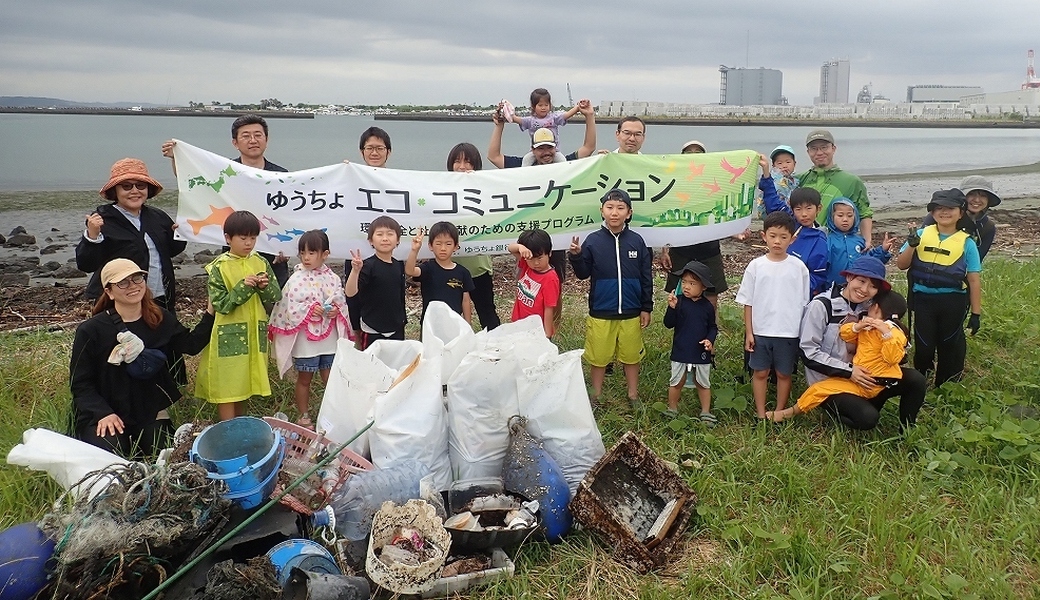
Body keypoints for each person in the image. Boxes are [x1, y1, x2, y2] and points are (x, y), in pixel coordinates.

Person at [70, 259, 214, 457]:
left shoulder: (159, 318)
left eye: (137, 278)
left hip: (149, 410)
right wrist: (102, 413)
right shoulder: (91, 330)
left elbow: (191, 345)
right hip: (106, 411)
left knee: (163, 453)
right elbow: (80, 383)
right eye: (123, 282)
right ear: (109, 292)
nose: (133, 286)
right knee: (113, 455)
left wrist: (211, 312)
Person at [487, 98, 597, 326]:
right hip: (529, 240)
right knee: (527, 288)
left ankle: (549, 332)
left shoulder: (566, 164)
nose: (546, 152)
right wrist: (499, 126)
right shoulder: (522, 167)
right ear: (533, 150)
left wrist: (589, 117)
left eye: (549, 147)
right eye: (540, 148)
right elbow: (494, 156)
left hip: (556, 240)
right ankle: (523, 327)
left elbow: (588, 148)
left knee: (553, 290)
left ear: (556, 147)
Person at [799, 256, 927, 431]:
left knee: (915, 380)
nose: (864, 290)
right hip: (831, 380)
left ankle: (906, 430)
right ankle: (837, 410)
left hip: (869, 376)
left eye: (873, 286)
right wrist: (849, 371)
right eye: (861, 281)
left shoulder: (872, 308)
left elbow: (893, 338)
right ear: (849, 277)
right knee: (867, 418)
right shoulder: (822, 306)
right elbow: (808, 353)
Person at [161, 114, 290, 286]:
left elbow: (289, 215)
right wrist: (177, 157)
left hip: (273, 257)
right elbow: (191, 181)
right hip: (232, 255)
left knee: (275, 301)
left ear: (266, 140)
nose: (253, 140)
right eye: (246, 136)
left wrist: (289, 247)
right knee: (234, 297)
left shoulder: (281, 175)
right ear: (235, 143)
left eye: (258, 135)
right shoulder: (224, 171)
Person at [568, 189, 653, 408]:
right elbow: (583, 273)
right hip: (601, 310)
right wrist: (576, 256)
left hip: (631, 311)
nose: (614, 213)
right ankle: (595, 396)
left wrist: (646, 307)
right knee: (598, 357)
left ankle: (633, 395)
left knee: (631, 356)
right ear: (602, 211)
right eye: (610, 207)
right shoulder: (593, 241)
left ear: (629, 213)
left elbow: (646, 276)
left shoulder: (637, 241)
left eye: (620, 208)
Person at [769, 290, 908, 423]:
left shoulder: (894, 333)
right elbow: (845, 334)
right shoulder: (868, 327)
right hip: (857, 379)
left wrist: (887, 335)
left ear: (876, 308)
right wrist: (857, 327)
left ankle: (794, 412)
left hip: (874, 383)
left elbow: (892, 358)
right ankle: (791, 412)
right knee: (820, 388)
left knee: (866, 416)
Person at [195, 210, 282, 421]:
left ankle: (241, 425)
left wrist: (263, 287)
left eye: (253, 238)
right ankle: (228, 428)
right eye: (243, 238)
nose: (248, 243)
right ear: (228, 238)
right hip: (228, 333)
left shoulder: (260, 262)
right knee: (227, 384)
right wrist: (243, 287)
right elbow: (221, 304)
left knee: (245, 383)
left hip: (253, 333)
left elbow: (276, 295)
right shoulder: (218, 267)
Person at [897, 189, 982, 386]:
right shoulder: (920, 234)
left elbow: (974, 280)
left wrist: (976, 314)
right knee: (924, 346)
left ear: (960, 213)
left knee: (948, 345)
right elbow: (901, 264)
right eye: (939, 208)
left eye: (950, 208)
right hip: (923, 300)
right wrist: (911, 245)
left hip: (953, 302)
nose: (944, 212)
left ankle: (945, 385)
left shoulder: (967, 243)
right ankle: (921, 382)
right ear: (932, 213)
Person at [268, 230, 353, 428]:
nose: (306, 257)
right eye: (303, 252)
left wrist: (335, 311)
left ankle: (333, 415)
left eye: (311, 253)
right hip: (306, 339)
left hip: (329, 337)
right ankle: (304, 415)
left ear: (325, 254)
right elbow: (290, 307)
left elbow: (340, 300)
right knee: (304, 377)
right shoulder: (296, 278)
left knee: (330, 378)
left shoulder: (332, 278)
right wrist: (309, 309)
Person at [77, 158, 185, 312]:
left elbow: (171, 250)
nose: (134, 191)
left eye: (140, 185)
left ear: (147, 189)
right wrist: (92, 236)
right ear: (115, 191)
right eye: (126, 186)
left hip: (160, 297)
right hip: (118, 302)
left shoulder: (158, 216)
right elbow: (86, 265)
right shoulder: (103, 220)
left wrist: (179, 234)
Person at [735, 211, 809, 418]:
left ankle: (779, 413)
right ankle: (760, 414)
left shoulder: (799, 268)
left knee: (784, 373)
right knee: (760, 372)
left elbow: (804, 304)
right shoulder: (756, 266)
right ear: (764, 236)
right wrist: (749, 333)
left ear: (792, 239)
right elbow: (748, 302)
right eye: (773, 236)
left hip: (788, 332)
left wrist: (801, 334)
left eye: (783, 237)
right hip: (761, 331)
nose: (777, 241)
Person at [661, 141, 730, 313]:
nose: (693, 155)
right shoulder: (673, 182)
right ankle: (681, 326)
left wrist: (737, 230)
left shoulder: (714, 180)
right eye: (689, 152)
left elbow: (724, 210)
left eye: (698, 152)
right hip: (680, 250)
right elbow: (665, 216)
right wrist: (664, 249)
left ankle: (709, 327)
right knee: (679, 293)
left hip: (709, 249)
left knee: (711, 295)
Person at [447, 142, 501, 330]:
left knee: (487, 313)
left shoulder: (486, 191)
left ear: (476, 165)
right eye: (457, 161)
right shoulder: (441, 190)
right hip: (450, 266)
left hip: (478, 266)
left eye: (468, 162)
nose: (462, 167)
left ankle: (496, 345)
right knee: (451, 316)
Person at [663, 261, 718, 424]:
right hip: (680, 350)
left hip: (700, 351)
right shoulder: (678, 302)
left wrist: (709, 340)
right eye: (684, 282)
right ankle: (672, 408)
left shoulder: (707, 307)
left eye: (692, 283)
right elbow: (668, 323)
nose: (686, 286)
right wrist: (671, 308)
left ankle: (705, 411)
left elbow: (713, 327)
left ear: (703, 287)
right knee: (676, 381)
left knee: (703, 383)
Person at [799, 129, 874, 244]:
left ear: (833, 149)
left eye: (824, 147)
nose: (819, 153)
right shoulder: (798, 180)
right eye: (814, 148)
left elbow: (864, 213)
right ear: (808, 152)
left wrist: (867, 240)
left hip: (835, 245)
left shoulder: (851, 181)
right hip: (804, 242)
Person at [344, 216, 408, 350]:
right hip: (372, 328)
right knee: (372, 362)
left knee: (396, 362)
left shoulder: (399, 265)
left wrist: (402, 320)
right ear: (371, 241)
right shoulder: (367, 266)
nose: (385, 238)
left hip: (396, 327)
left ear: (398, 240)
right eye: (379, 234)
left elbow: (400, 296)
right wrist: (355, 271)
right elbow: (350, 293)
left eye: (390, 234)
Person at [759, 178, 828, 297]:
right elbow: (773, 202)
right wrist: (766, 176)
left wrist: (792, 289)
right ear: (792, 209)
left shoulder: (819, 241)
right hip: (772, 286)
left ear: (819, 208)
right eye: (798, 209)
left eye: (809, 208)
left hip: (796, 295)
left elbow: (817, 277)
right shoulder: (789, 223)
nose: (804, 214)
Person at [405, 221, 474, 324]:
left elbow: (465, 300)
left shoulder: (463, 272)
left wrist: (467, 324)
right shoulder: (428, 268)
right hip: (430, 324)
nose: (443, 248)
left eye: (448, 244)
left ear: (455, 246)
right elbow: (410, 271)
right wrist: (414, 250)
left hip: (454, 323)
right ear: (430, 246)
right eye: (438, 243)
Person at [922, 175, 1000, 261]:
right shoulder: (942, 217)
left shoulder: (987, 227)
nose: (977, 200)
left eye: (983, 195)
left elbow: (977, 260)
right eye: (971, 194)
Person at [824, 197, 894, 288]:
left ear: (855, 217)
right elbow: (821, 266)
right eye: (840, 215)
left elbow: (870, 262)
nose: (845, 219)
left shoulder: (859, 241)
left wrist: (883, 250)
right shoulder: (827, 240)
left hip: (858, 287)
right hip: (833, 288)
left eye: (850, 216)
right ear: (832, 217)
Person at [508, 228, 560, 338]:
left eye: (540, 258)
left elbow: (549, 308)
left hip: (536, 331)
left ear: (549, 253)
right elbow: (510, 248)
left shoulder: (550, 278)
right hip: (519, 324)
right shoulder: (526, 264)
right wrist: (520, 247)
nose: (536, 263)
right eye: (531, 259)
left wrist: (547, 334)